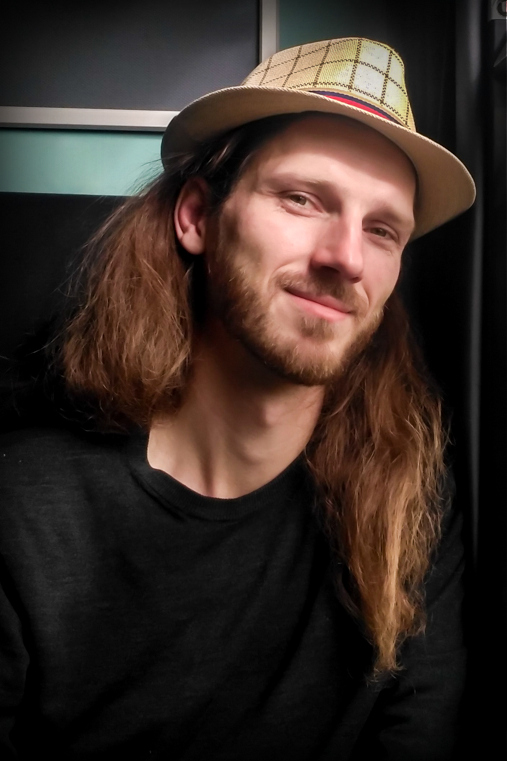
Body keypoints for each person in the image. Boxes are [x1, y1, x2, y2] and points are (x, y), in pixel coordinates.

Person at [0, 38, 475, 760]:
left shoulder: (406, 494)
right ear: (197, 216)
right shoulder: (25, 507)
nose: (346, 257)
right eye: (301, 199)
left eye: (382, 230)